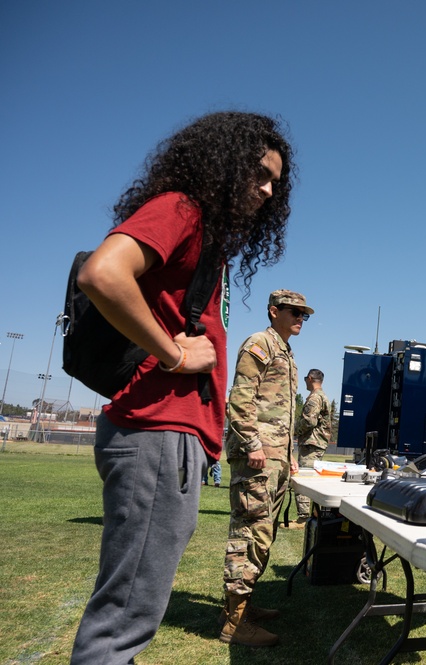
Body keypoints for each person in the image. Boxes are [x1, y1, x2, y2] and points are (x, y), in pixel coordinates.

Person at [70, 111, 294, 665]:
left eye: (276, 182)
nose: (268, 191)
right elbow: (102, 273)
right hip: (157, 431)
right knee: (124, 619)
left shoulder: (205, 234)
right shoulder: (182, 209)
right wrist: (172, 353)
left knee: (134, 607)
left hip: (171, 437)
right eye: (259, 174)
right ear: (223, 166)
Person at [219, 289, 312, 647]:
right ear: (274, 311)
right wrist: (253, 444)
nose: (300, 318)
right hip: (256, 457)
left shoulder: (285, 350)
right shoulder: (260, 343)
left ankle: (242, 608)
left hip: (274, 457)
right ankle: (234, 623)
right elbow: (240, 398)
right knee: (250, 534)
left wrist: (288, 454)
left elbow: (279, 410)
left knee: (263, 533)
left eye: (304, 314)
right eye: (294, 311)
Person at [286, 368, 333, 528]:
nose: (304, 381)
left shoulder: (315, 398)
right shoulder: (322, 396)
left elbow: (309, 422)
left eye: (306, 378)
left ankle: (303, 518)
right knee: (311, 480)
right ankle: (312, 515)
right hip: (317, 443)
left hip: (312, 443)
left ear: (311, 378)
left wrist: (292, 430)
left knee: (304, 479)